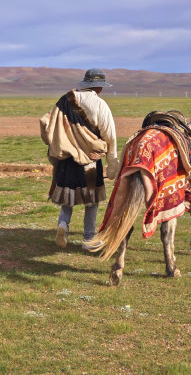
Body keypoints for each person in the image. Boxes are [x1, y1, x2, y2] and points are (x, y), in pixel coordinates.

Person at [39, 68, 120, 250]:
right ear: (98, 87)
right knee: (92, 201)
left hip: (67, 160)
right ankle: (88, 238)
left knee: (68, 198)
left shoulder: (65, 100)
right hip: (89, 162)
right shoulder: (100, 105)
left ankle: (63, 225)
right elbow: (110, 135)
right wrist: (112, 162)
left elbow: (52, 126)